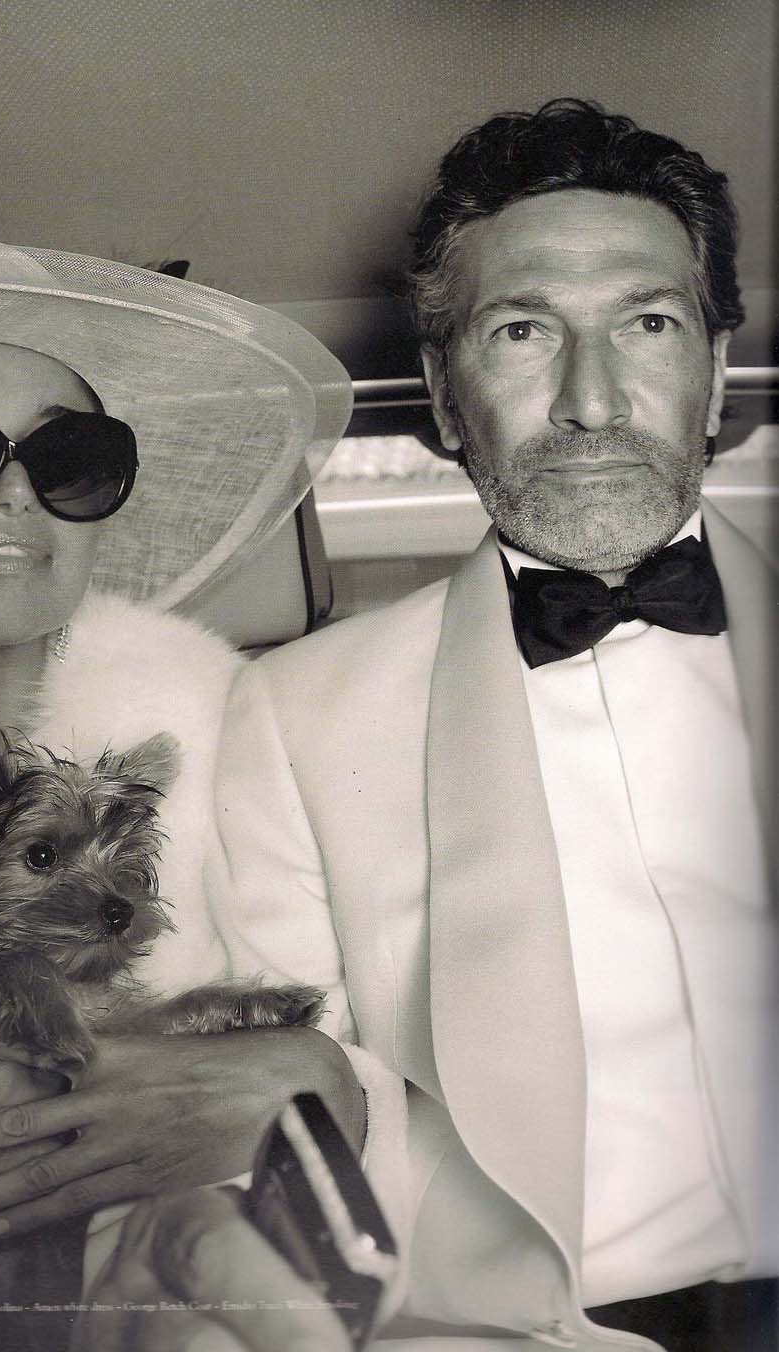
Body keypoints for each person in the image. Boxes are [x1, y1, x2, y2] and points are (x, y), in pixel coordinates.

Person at [187, 100, 774, 1350]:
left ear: (716, 370)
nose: (591, 401)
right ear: (444, 399)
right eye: (521, 332)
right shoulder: (289, 721)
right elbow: (300, 1128)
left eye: (649, 324)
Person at [0, 232, 401, 1349]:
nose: (15, 494)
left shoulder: (251, 745)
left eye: (69, 459)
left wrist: (319, 1083)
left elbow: (409, 1076)